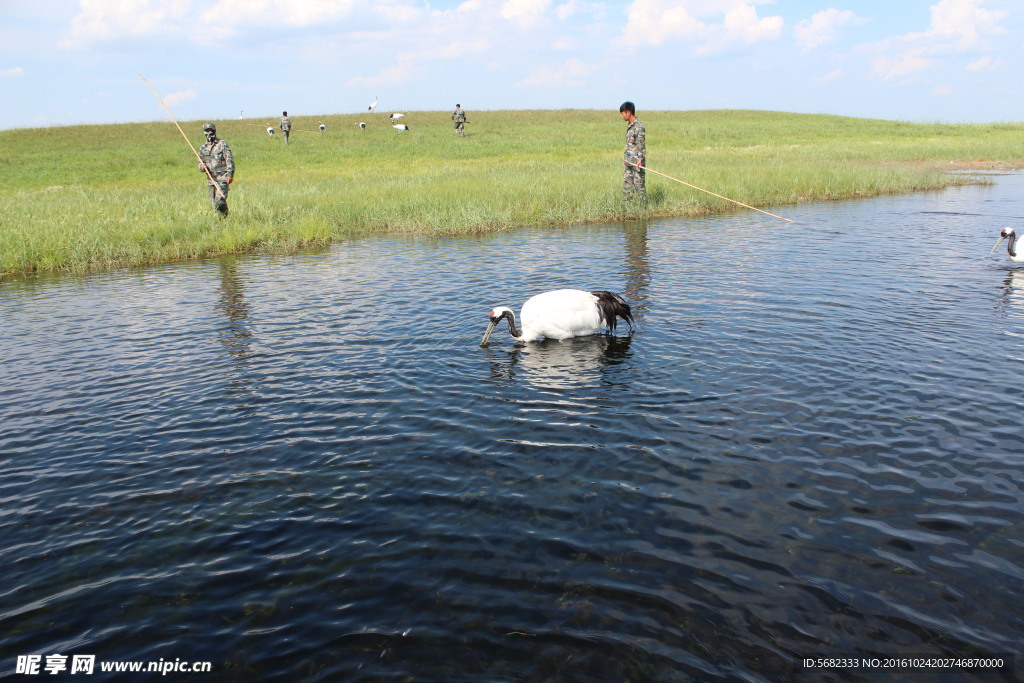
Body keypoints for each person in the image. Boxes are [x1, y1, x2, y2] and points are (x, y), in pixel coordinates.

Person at [198, 122, 234, 216]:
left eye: (211, 130)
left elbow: (229, 160)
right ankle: (221, 222)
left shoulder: (222, 144)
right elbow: (199, 164)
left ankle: (225, 216)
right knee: (214, 205)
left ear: (214, 131)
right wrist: (202, 167)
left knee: (220, 201)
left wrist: (230, 175)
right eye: (207, 131)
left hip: (222, 178)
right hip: (211, 180)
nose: (209, 133)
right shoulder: (203, 148)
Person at [620, 101, 646, 202]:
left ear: (628, 112)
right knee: (627, 185)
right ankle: (626, 206)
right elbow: (629, 145)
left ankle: (642, 207)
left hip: (637, 163)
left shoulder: (639, 127)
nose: (622, 116)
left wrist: (640, 160)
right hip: (629, 162)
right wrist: (625, 159)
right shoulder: (629, 126)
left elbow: (641, 145)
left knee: (639, 185)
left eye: (623, 114)